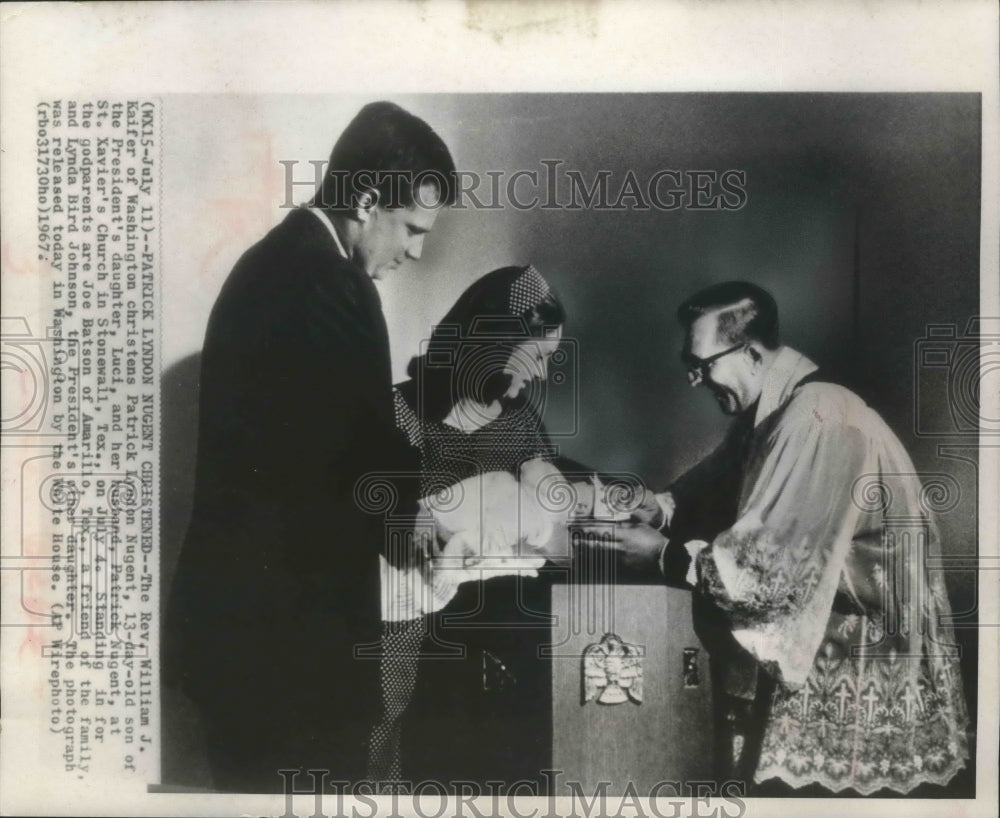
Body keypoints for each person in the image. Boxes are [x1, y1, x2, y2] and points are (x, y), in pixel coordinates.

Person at [165, 101, 456, 792]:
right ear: (364, 200)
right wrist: (420, 512)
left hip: (238, 640)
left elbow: (317, 446)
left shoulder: (266, 264)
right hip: (288, 656)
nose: (415, 251)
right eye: (412, 228)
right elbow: (368, 450)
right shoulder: (334, 281)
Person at [592, 281, 970, 795]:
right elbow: (717, 480)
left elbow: (769, 574)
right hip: (829, 641)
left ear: (749, 353)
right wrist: (659, 507)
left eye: (702, 364)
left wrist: (662, 556)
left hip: (862, 657)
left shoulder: (819, 416)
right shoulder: (774, 412)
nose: (693, 379)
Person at [366, 265, 568, 788]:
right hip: (407, 626)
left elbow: (556, 532)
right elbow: (369, 512)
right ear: (497, 337)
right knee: (384, 754)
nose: (543, 375)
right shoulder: (399, 411)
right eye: (539, 355)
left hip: (493, 638)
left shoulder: (521, 423)